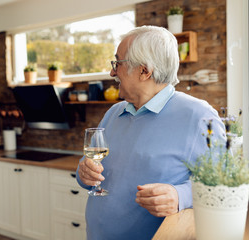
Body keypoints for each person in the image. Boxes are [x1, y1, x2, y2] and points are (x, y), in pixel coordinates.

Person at [76, 26, 226, 240]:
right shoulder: (113, 113)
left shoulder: (199, 116)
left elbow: (225, 187)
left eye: (117, 63)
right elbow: (86, 171)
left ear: (144, 71)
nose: (112, 72)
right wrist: (83, 172)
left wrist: (179, 196)